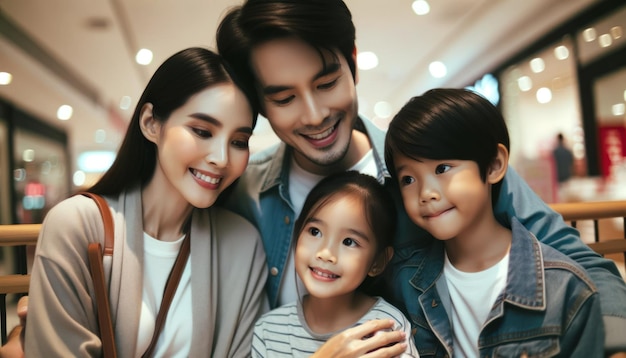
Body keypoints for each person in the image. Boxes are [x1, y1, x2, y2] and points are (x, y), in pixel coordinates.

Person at [215, 0, 626, 354]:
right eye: (284, 98)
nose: (314, 114)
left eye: (327, 83)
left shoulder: (431, 161)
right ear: (261, 105)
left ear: (353, 63)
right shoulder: (245, 191)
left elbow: (584, 268)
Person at [23, 47, 268, 357]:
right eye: (202, 131)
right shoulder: (76, 226)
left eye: (238, 142)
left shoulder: (243, 246)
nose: (221, 158)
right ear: (151, 123)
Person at [384, 88, 604, 357]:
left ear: (494, 165)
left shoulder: (565, 288)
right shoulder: (405, 282)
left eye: (442, 169)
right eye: (408, 179)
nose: (425, 193)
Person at [252, 171, 418, 357]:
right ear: (296, 234)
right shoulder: (269, 331)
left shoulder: (386, 330)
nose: (326, 253)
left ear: (378, 262)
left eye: (349, 242)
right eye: (315, 232)